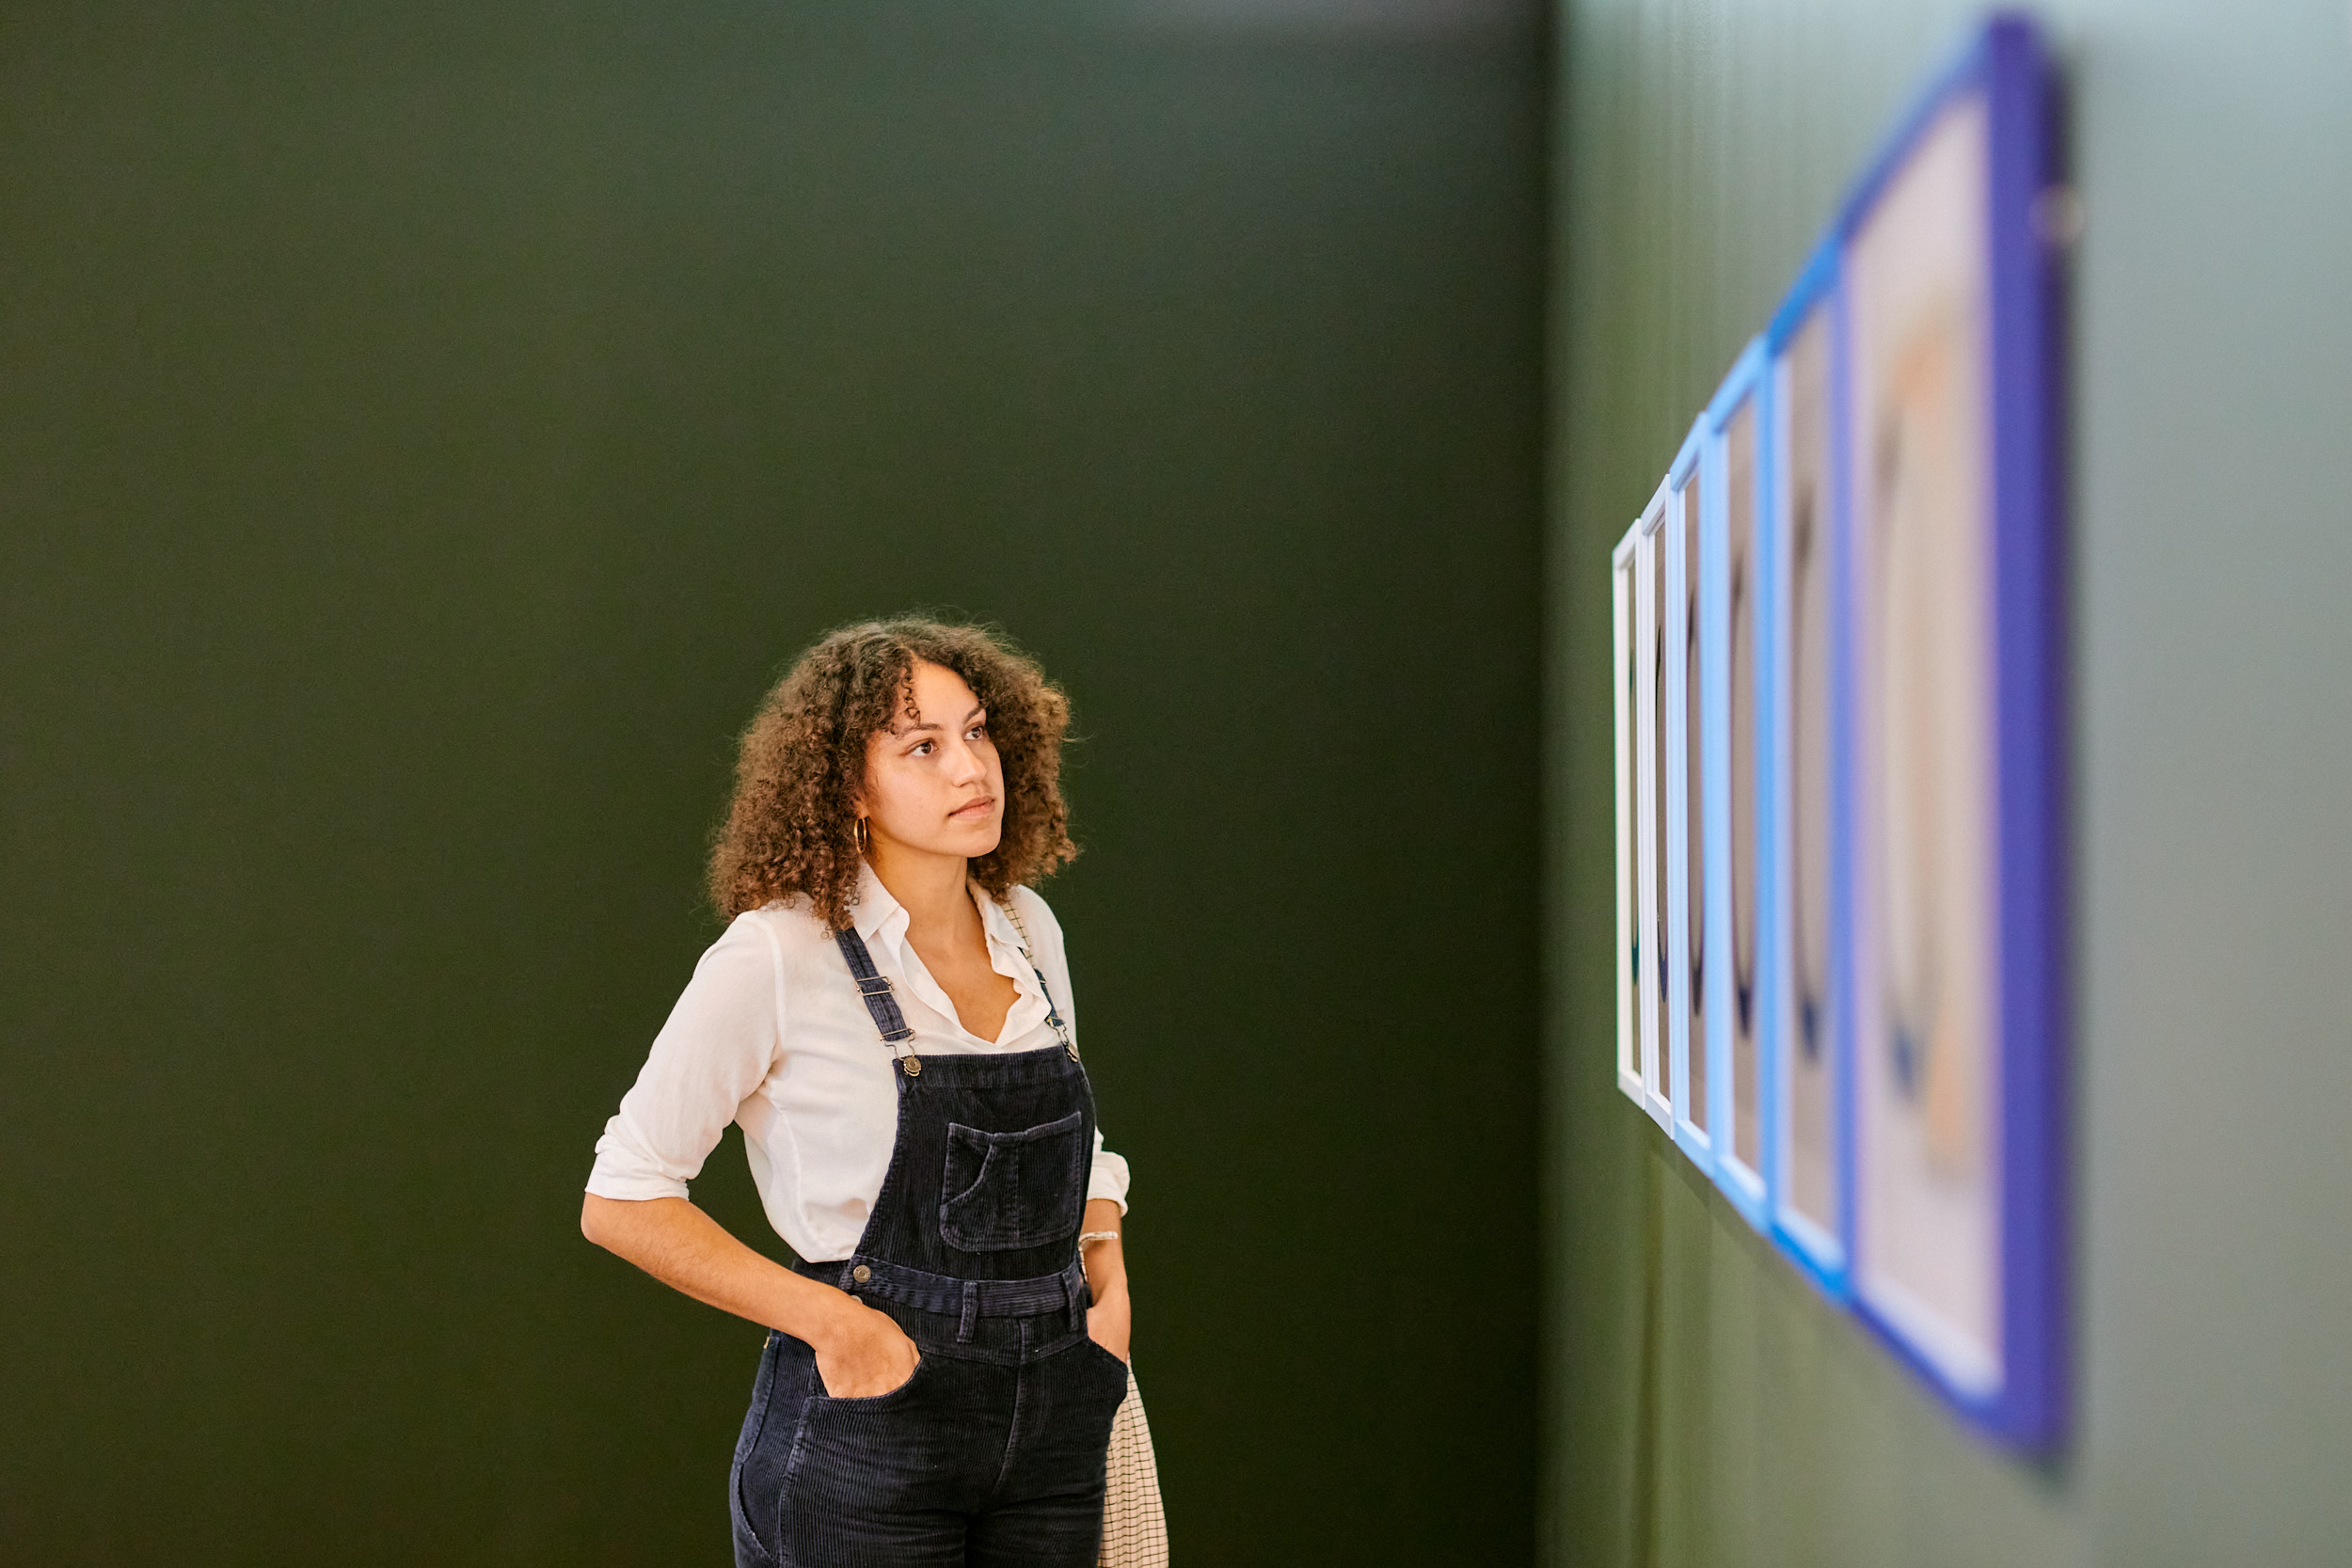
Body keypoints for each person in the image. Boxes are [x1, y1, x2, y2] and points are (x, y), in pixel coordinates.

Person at [581, 617, 1134, 1568]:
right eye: (922, 746)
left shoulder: (1027, 930)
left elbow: (1075, 1144)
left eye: (977, 731)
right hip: (871, 1435)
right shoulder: (780, 951)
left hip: (1054, 1429)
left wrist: (1105, 1268)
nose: (971, 768)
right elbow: (623, 1195)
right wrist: (835, 1323)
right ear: (849, 785)